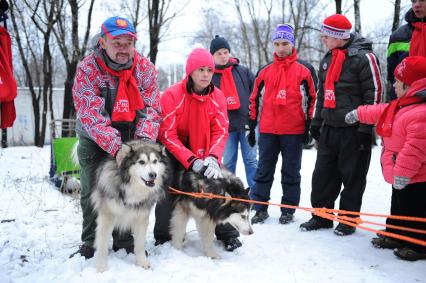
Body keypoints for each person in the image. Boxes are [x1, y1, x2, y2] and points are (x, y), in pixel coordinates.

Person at [71, 16, 161, 259]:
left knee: (131, 188)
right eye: (116, 42)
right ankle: (90, 241)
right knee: (93, 190)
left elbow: (152, 111)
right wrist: (115, 147)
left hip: (132, 136)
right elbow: (89, 112)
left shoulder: (145, 69)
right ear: (103, 42)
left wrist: (139, 147)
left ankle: (124, 239)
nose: (123, 48)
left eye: (128, 42)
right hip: (93, 136)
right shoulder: (88, 69)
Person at [299, 14, 383, 236]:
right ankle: (322, 217)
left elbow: (374, 94)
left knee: (352, 177)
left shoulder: (364, 58)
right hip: (330, 127)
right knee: (323, 176)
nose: (323, 39)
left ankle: (347, 220)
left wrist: (366, 127)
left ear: (339, 37)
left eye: (326, 35)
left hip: (354, 130)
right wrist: (317, 122)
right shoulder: (328, 58)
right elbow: (322, 94)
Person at [153, 48, 243, 252]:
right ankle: (164, 235)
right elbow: (167, 134)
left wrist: (213, 157)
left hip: (206, 151)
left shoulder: (218, 96)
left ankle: (227, 233)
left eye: (209, 70)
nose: (205, 74)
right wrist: (191, 160)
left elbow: (220, 129)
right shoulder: (171, 95)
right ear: (190, 72)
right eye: (200, 69)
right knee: (170, 187)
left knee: (220, 186)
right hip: (176, 152)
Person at [345, 56, 426, 261]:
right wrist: (358, 113)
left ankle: (418, 245)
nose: (394, 85)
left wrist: (402, 174)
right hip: (401, 173)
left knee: (415, 212)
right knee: (398, 207)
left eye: (398, 82)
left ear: (411, 86)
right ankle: (397, 235)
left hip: (415, 177)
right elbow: (379, 111)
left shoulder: (421, 113)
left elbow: (415, 149)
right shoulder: (401, 105)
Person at [248, 24, 317, 225]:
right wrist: (251, 126)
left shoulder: (305, 70)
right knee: (263, 170)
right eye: (277, 44)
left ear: (292, 44)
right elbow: (254, 100)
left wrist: (309, 125)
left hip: (293, 132)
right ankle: (260, 208)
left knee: (291, 172)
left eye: (285, 43)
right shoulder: (264, 71)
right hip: (268, 130)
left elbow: (313, 99)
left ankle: (288, 209)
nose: (280, 48)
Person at [209, 35, 257, 189]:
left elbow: (255, 93)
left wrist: (254, 117)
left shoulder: (242, 71)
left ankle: (256, 197)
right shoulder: (209, 75)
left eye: (225, 52)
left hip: (246, 125)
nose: (223, 56)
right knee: (228, 162)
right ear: (212, 56)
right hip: (225, 128)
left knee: (251, 161)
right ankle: (231, 195)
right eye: (219, 53)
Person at [386, 0, 426, 102]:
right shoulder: (397, 36)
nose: (416, 5)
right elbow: (392, 77)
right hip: (405, 104)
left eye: (422, 0)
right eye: (413, 1)